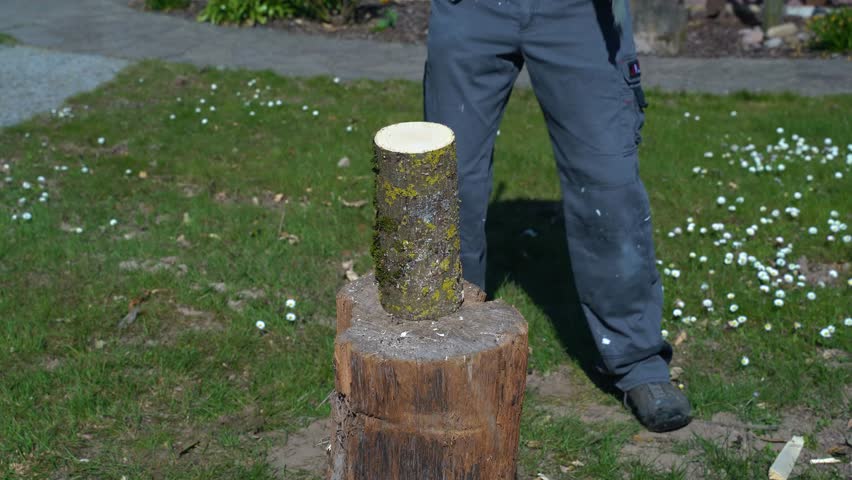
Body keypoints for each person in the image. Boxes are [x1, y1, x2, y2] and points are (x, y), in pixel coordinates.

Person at [423, 0, 692, 432]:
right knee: (447, 178)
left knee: (608, 183)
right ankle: (443, 346)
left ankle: (638, 362)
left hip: (582, 14)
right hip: (471, 9)